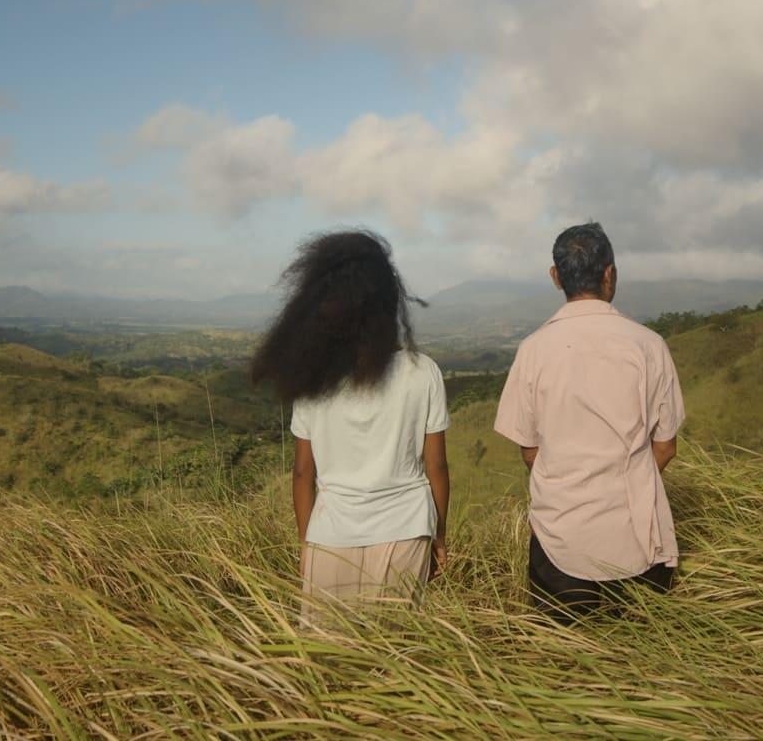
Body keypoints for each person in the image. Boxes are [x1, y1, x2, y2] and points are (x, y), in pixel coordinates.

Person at [251, 230, 450, 619]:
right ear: (388, 302)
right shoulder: (422, 372)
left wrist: (306, 545)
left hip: (330, 537)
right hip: (406, 531)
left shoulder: (313, 379)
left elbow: (303, 472)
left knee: (332, 666)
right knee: (401, 658)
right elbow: (437, 467)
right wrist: (440, 536)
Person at [493, 222, 686, 621]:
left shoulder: (532, 350)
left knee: (564, 665)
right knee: (651, 663)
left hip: (559, 542)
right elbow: (665, 446)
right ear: (609, 274)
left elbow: (530, 451)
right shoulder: (649, 345)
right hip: (639, 539)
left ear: (555, 276)